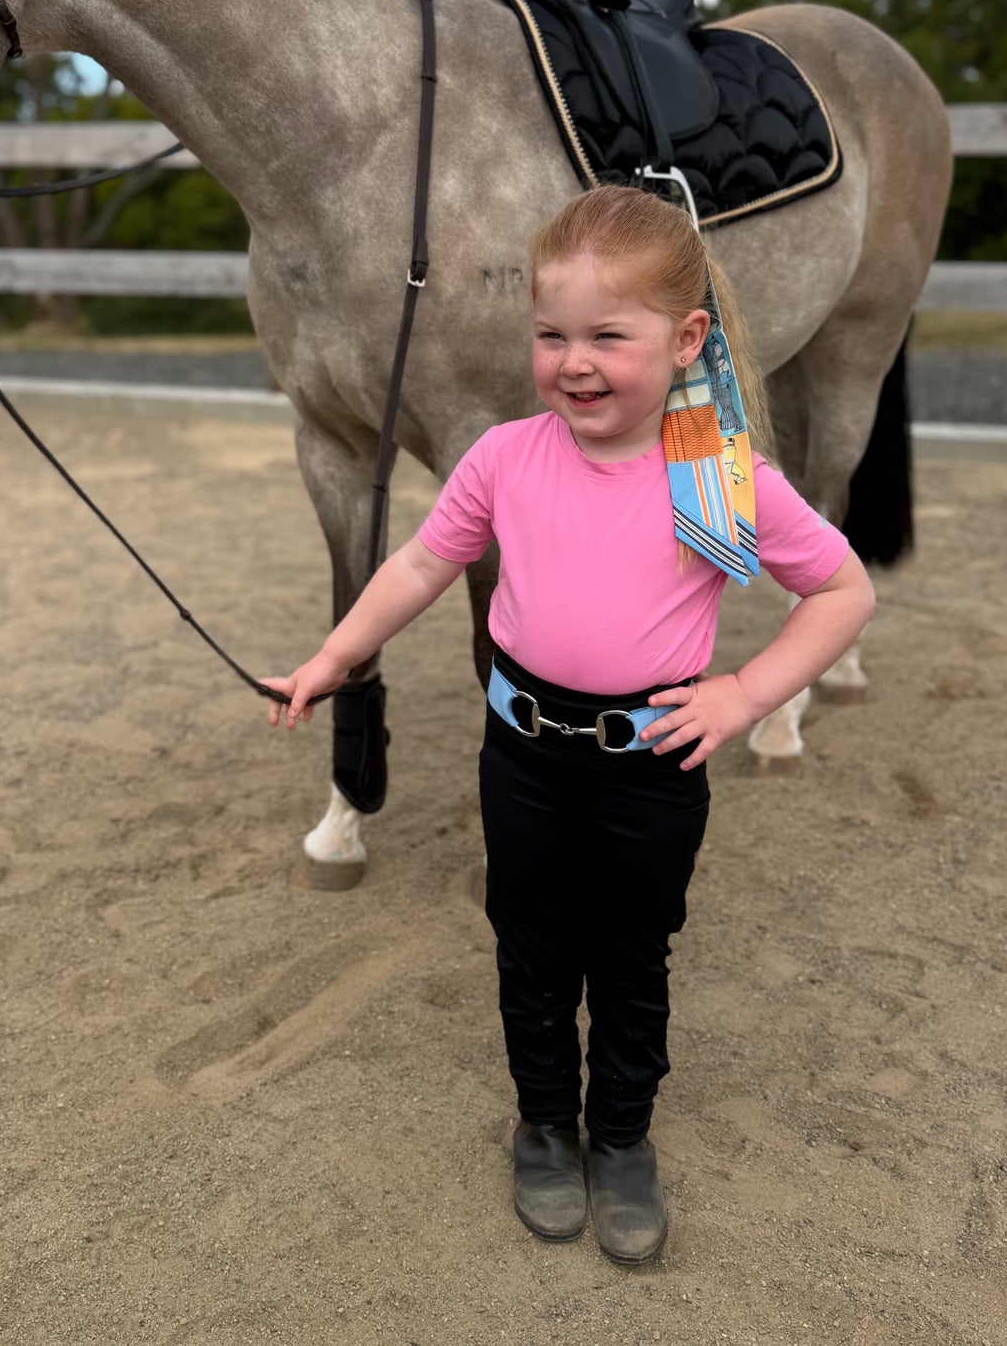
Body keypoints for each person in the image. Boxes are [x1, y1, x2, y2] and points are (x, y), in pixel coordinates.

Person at [263, 184, 875, 1263]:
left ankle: (622, 1138)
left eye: (606, 335)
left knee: (632, 957)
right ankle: (543, 1124)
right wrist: (335, 654)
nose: (572, 361)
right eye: (550, 335)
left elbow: (840, 592)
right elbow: (418, 564)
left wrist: (742, 693)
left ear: (685, 338)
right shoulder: (502, 456)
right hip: (524, 760)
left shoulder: (713, 473)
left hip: (650, 765)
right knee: (531, 948)